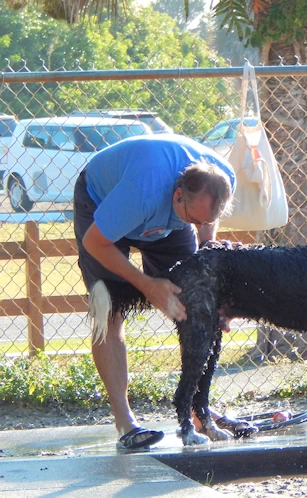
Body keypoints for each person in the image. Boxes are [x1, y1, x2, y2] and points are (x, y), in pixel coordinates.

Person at [73, 133, 235, 450]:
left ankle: (197, 408)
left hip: (165, 218)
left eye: (207, 219)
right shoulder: (141, 194)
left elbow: (204, 227)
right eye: (194, 219)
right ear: (177, 196)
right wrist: (147, 285)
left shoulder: (223, 177)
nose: (200, 224)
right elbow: (96, 243)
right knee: (109, 309)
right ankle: (125, 421)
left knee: (198, 305)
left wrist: (208, 290)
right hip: (102, 202)